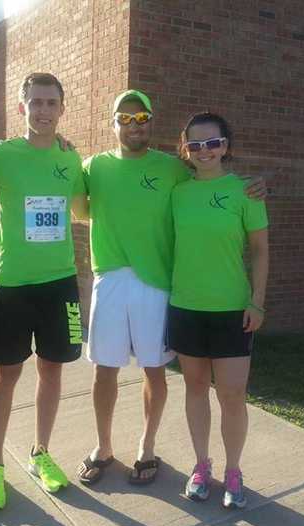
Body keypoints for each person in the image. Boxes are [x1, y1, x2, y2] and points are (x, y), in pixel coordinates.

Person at [76, 91, 266, 486]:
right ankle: (103, 447)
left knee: (154, 372)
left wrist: (259, 185)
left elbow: (216, 181)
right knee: (104, 372)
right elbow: (76, 207)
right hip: (110, 278)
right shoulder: (92, 166)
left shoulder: (173, 170)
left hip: (158, 284)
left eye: (141, 117)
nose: (134, 124)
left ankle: (147, 448)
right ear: (112, 122)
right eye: (124, 118)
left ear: (151, 121)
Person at [0, 73, 87, 509]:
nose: (43, 111)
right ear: (22, 108)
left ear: (62, 109)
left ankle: (41, 452)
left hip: (59, 283)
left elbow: (86, 209)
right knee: (5, 376)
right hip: (13, 285)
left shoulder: (70, 159)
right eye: (36, 103)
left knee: (53, 371)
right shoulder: (2, 156)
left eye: (51, 103)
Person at [168, 112, 269, 508]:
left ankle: (233, 470)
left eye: (212, 143)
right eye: (195, 144)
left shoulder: (245, 191)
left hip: (231, 310)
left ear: (226, 145)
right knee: (195, 389)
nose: (204, 151)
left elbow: (260, 251)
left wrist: (257, 300)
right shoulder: (177, 192)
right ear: (185, 149)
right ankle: (201, 466)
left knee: (232, 394)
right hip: (186, 307)